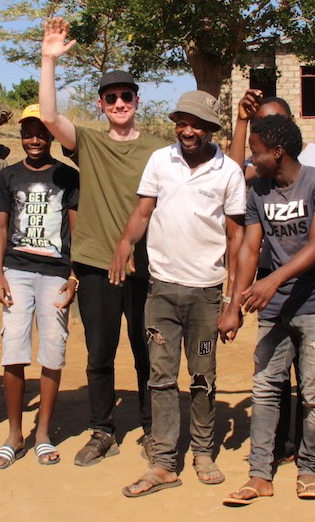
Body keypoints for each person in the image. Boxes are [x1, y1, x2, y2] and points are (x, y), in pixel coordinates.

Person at [38, 17, 168, 467]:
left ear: (136, 100)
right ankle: (103, 430)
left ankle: (154, 429)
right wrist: (48, 60)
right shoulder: (89, 143)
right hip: (95, 264)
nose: (118, 103)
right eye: (110, 97)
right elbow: (49, 116)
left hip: (147, 265)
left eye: (125, 96)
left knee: (147, 351)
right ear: (101, 103)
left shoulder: (159, 149)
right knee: (99, 353)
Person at [113, 91, 246, 497]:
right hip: (162, 289)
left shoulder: (228, 171)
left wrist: (231, 300)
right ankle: (164, 460)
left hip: (206, 290)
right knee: (161, 376)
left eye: (197, 124)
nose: (188, 131)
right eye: (182, 122)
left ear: (210, 129)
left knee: (203, 375)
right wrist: (123, 244)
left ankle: (204, 452)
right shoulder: (161, 160)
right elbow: (143, 211)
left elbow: (236, 235)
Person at [221, 115, 315, 506]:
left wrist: (273, 280)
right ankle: (260, 475)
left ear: (278, 152)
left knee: (313, 394)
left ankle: (309, 468)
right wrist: (234, 305)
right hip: (274, 307)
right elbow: (250, 249)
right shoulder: (258, 190)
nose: (251, 160)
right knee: (265, 388)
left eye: (256, 152)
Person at [0, 105, 80, 469]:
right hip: (17, 271)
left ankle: (42, 433)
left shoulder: (68, 176)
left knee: (53, 350)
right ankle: (14, 434)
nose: (35, 140)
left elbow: (77, 229)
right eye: (29, 132)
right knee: (14, 348)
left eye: (42, 132)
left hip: (56, 274)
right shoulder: (8, 176)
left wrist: (73, 276)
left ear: (52, 136)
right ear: (22, 135)